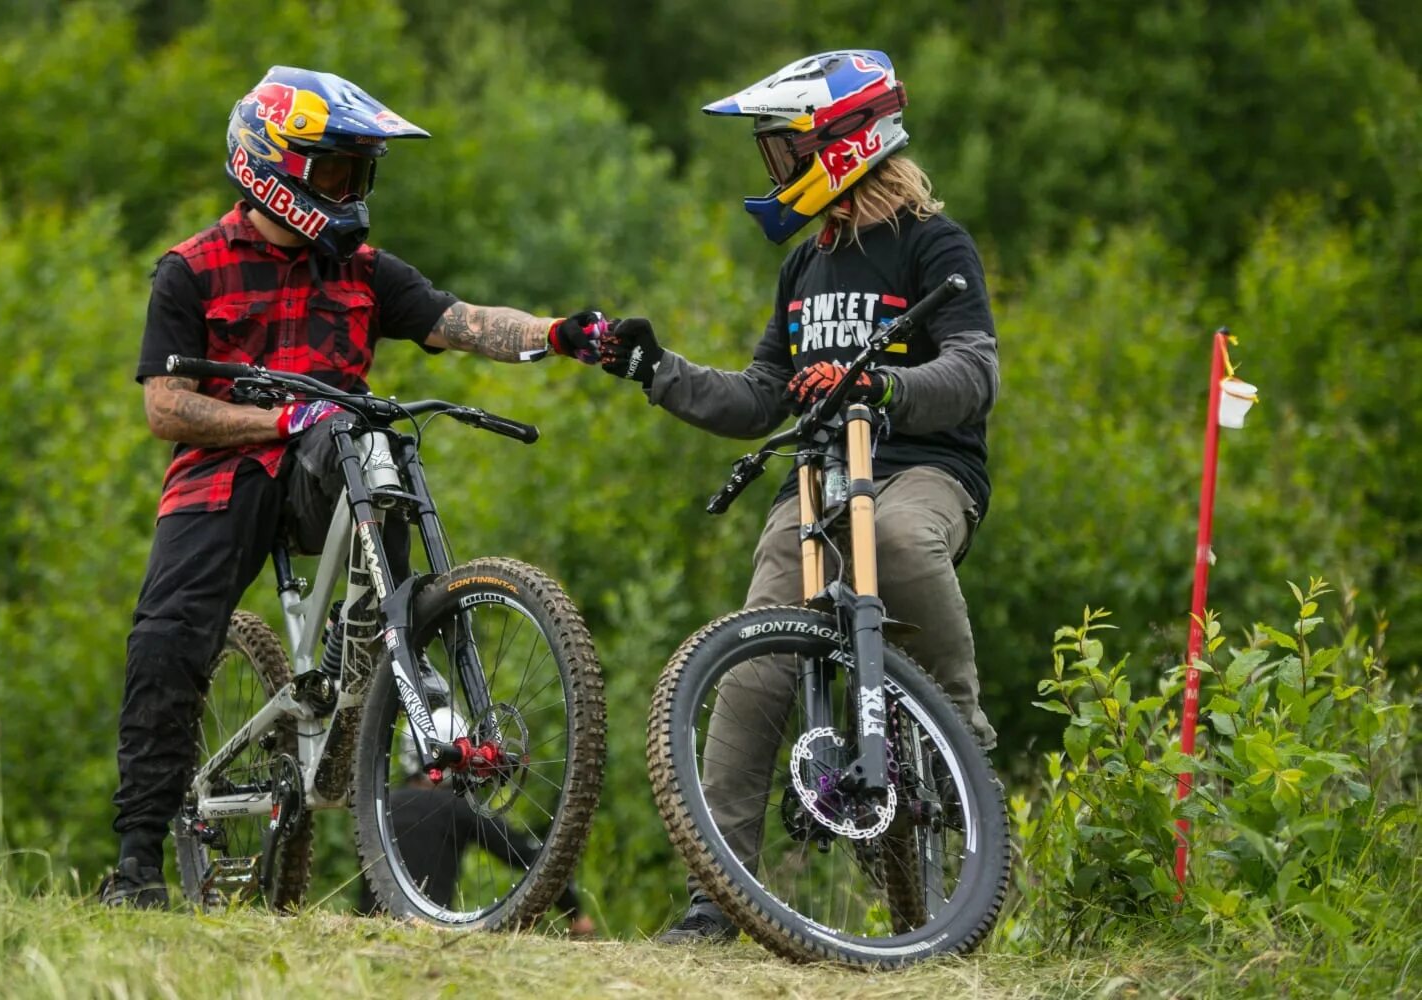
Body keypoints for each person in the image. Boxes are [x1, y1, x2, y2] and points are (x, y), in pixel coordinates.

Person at [99, 66, 605, 909]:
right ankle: (137, 863)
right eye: (334, 171)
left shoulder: (364, 269)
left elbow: (464, 322)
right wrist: (277, 421)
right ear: (273, 163)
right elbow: (166, 408)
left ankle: (376, 642)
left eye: (357, 173)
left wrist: (563, 334)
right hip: (220, 483)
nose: (349, 190)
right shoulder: (189, 270)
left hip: (329, 470)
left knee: (373, 435)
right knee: (169, 643)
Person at [595, 50, 1000, 942]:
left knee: (894, 539)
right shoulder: (803, 268)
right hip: (819, 474)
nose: (774, 168)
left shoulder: (934, 242)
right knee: (751, 665)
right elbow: (758, 397)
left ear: (845, 144)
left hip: (919, 466)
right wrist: (654, 371)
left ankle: (963, 731)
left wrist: (885, 388)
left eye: (784, 150)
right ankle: (718, 897)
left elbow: (975, 371)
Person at [355, 713, 596, 936]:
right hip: (429, 931)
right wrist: (575, 914)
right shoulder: (456, 808)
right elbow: (528, 856)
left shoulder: (379, 808)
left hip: (373, 929)